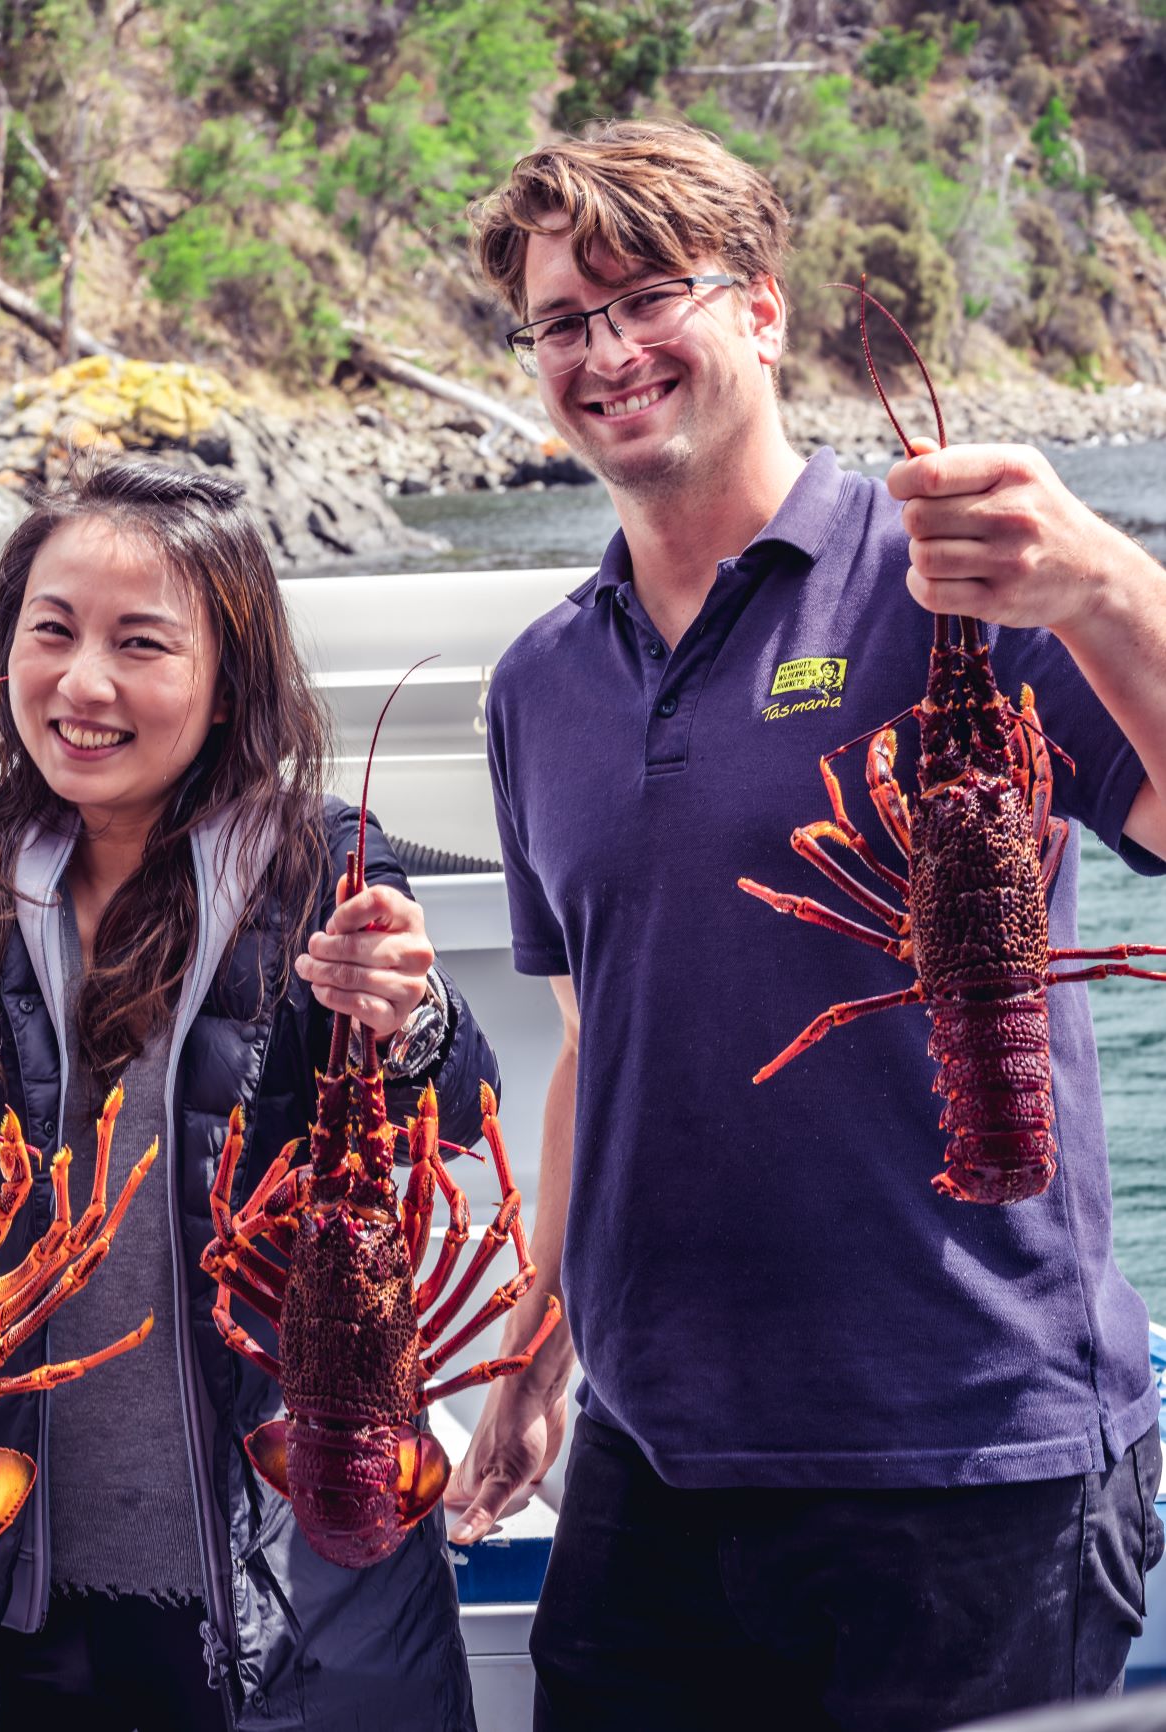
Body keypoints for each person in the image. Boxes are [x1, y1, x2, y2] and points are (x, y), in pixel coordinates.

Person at [448, 119, 1166, 1729]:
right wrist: (531, 1356)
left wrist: (1108, 584)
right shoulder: (539, 684)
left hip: (966, 1461)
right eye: (564, 322)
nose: (608, 351)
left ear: (761, 310)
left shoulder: (973, 576)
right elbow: (594, 1050)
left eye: (648, 298)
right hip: (655, 1463)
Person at [0, 457, 505, 1731]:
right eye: (49, 632)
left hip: (280, 1570)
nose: (82, 683)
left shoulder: (320, 855)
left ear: (225, 683)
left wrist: (413, 1011)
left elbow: (459, 1090)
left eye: (139, 643)